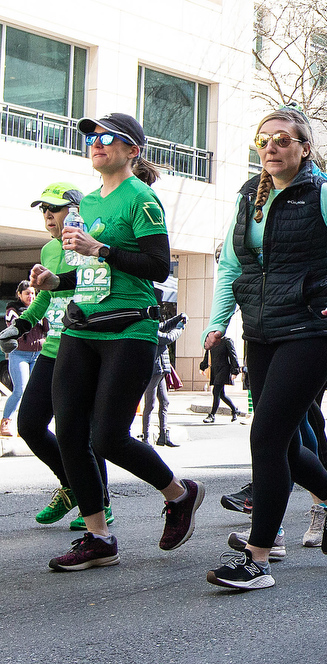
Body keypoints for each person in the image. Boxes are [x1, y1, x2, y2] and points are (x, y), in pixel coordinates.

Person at [202, 107, 327, 590]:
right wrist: (217, 323)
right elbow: (230, 266)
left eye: (283, 139)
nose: (272, 147)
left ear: (305, 149)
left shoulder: (323, 194)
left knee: (267, 436)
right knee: (283, 438)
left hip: (312, 329)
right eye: (264, 140)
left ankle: (258, 558)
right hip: (260, 331)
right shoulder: (248, 199)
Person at [29, 113, 204, 571]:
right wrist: (56, 280)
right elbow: (90, 270)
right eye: (91, 138)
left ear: (133, 151)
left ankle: (178, 493)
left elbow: (158, 265)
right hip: (82, 328)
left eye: (108, 138)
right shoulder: (87, 201)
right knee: (69, 434)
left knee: (106, 436)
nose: (97, 144)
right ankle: (98, 537)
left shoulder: (141, 199)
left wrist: (100, 248)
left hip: (129, 330)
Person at [0, 183, 114, 528]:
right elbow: (46, 299)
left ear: (76, 211)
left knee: (81, 432)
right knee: (31, 424)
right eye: (44, 209)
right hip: (53, 347)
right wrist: (19, 326)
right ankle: (73, 488)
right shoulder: (49, 251)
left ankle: (100, 504)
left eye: (56, 208)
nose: (49, 215)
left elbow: (100, 289)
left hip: (86, 344)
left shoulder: (89, 244)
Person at [1, 281, 45, 437]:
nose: (31, 297)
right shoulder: (12, 309)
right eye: (27, 293)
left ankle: (26, 425)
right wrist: (31, 317)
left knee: (35, 391)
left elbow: (47, 327)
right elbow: (15, 324)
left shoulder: (41, 307)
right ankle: (6, 421)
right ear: (19, 294)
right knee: (20, 389)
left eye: (33, 293)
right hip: (19, 353)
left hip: (39, 353)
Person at [140, 313, 187, 445]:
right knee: (150, 404)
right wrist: (180, 327)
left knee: (164, 402)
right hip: (153, 370)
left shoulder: (152, 326)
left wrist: (179, 318)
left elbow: (164, 326)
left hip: (159, 370)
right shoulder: (147, 328)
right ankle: (146, 437)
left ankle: (163, 436)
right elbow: (167, 338)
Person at [199, 334, 240, 424]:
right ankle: (234, 410)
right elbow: (208, 356)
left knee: (216, 391)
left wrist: (235, 371)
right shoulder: (212, 342)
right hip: (215, 369)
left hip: (224, 369)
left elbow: (233, 355)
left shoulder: (227, 341)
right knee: (221, 394)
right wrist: (203, 367)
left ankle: (212, 415)